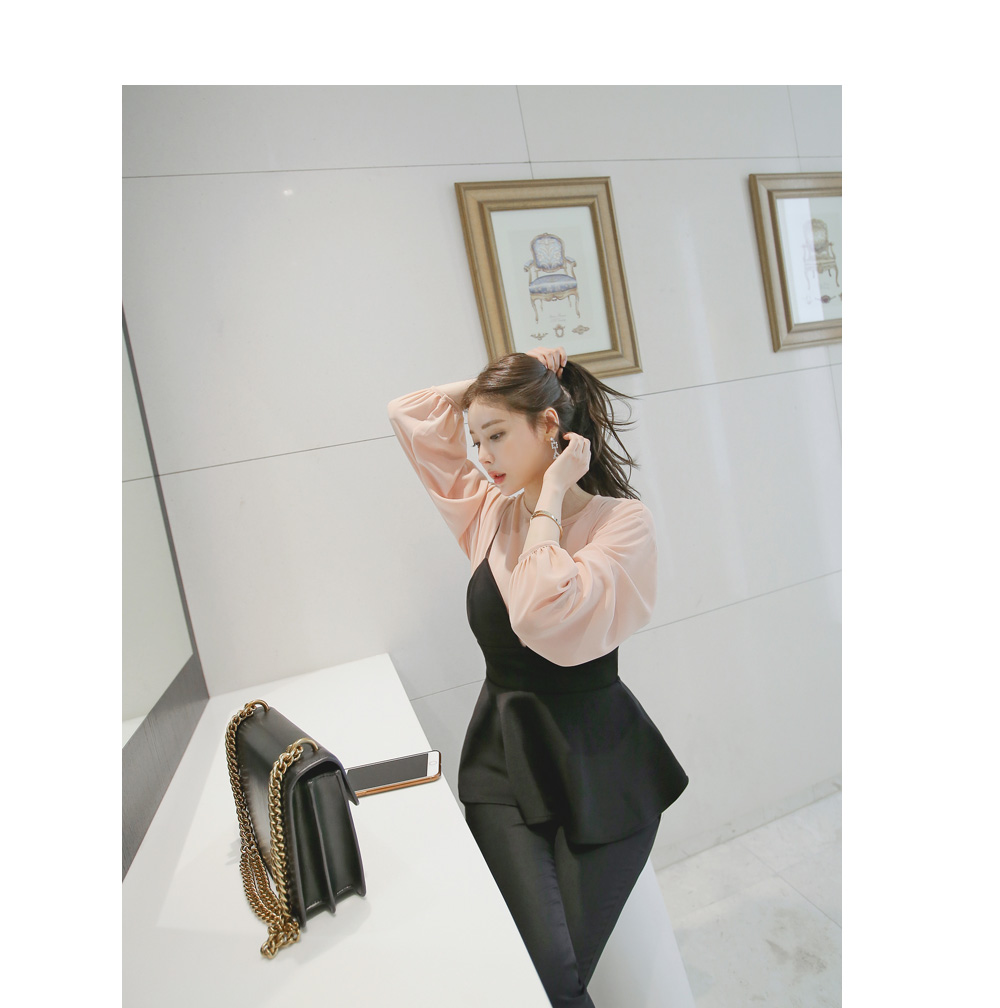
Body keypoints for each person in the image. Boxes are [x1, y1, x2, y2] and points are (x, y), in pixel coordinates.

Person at [388, 346, 688, 1008]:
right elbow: (409, 413)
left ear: (550, 427)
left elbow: (538, 613)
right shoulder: (489, 515)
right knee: (536, 979)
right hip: (504, 766)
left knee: (553, 983)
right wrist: (518, 374)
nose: (482, 456)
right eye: (476, 439)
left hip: (602, 768)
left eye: (497, 435)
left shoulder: (621, 525)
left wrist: (551, 492)